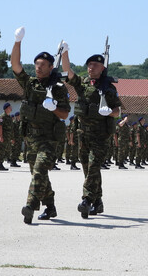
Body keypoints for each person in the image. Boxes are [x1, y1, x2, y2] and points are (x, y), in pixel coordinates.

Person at [11, 27, 70, 224]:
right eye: (36, 64)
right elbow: (16, 65)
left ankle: (30, 206)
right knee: (39, 174)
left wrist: (53, 107)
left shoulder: (59, 88)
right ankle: (50, 205)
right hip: (31, 137)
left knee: (39, 171)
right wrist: (17, 41)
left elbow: (65, 113)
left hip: (49, 139)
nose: (38, 67)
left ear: (51, 67)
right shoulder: (30, 84)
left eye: (42, 65)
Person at [62, 46, 121, 219]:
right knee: (88, 169)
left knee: (94, 165)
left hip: (101, 135)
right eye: (89, 65)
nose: (91, 68)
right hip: (83, 133)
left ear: (102, 68)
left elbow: (118, 111)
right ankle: (98, 201)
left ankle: (87, 200)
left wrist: (108, 112)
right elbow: (68, 71)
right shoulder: (83, 84)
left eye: (95, 65)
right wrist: (65, 53)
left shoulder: (109, 88)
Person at [0, 102, 14, 171]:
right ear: (6, 109)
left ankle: (1, 164)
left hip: (7, 137)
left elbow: (10, 129)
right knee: (1, 150)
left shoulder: (9, 117)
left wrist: (12, 138)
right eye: (10, 107)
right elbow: (0, 127)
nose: (11, 108)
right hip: (2, 137)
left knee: (3, 150)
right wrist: (0, 136)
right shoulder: (2, 117)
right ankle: (0, 165)